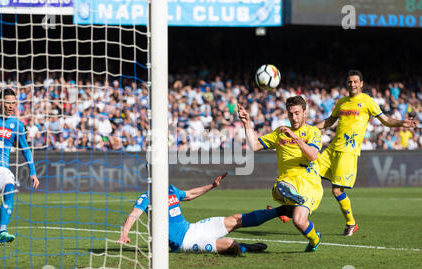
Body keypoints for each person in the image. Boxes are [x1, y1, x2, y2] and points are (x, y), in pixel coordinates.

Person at [314, 70, 418, 236]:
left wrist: (401, 123)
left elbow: (385, 120)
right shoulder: (342, 102)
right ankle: (291, 209)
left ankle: (351, 223)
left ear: (361, 83)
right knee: (309, 172)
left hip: (348, 151)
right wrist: (310, 128)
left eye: (355, 82)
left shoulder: (368, 101)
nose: (352, 85)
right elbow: (330, 121)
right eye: (350, 82)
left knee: (336, 191)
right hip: (332, 149)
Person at [117, 172, 291, 254]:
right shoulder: (148, 195)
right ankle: (247, 248)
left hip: (193, 229)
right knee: (232, 245)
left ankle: (280, 211)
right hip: (184, 242)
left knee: (236, 219)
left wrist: (212, 186)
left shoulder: (171, 189)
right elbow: (135, 213)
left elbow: (190, 194)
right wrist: (124, 233)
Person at [238, 96, 324, 252]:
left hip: (309, 183)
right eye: (291, 114)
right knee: (281, 186)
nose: (294, 117)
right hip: (287, 180)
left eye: (297, 113)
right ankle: (289, 199)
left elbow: (312, 155)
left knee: (298, 221)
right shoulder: (281, 132)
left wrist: (295, 137)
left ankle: (314, 239)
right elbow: (254, 145)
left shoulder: (313, 132)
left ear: (305, 112)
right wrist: (247, 123)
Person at [0, 88, 40, 243]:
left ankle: (2, 232)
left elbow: (25, 148)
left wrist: (33, 172)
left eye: (14, 103)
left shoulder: (17, 125)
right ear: (0, 102)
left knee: (10, 190)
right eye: (8, 103)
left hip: (1, 168)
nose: (11, 106)